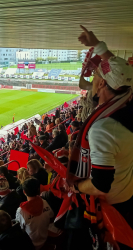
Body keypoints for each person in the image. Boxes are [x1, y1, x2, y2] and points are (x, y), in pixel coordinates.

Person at [66, 25, 133, 250]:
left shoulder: (104, 128)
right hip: (126, 194)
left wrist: (76, 187)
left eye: (96, 76)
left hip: (111, 208)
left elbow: (100, 184)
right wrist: (98, 45)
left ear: (103, 83)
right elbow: (123, 74)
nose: (93, 79)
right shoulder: (126, 103)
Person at [16, 178, 55, 250]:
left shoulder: (21, 211)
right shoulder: (44, 202)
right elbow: (51, 216)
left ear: (24, 192)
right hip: (44, 239)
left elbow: (20, 229)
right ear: (38, 190)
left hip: (30, 244)